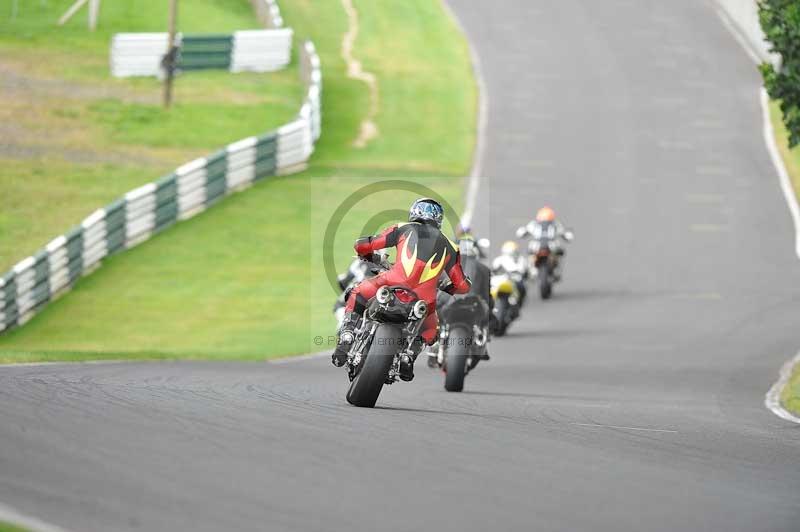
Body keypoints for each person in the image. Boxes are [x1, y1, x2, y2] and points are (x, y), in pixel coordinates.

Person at [332, 198, 472, 381]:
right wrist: (448, 287)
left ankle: (348, 334)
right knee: (431, 331)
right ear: (439, 220)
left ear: (414, 213)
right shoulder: (452, 247)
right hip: (424, 298)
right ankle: (408, 357)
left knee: (357, 292)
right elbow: (462, 286)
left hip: (391, 281)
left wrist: (365, 253)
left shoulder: (403, 228)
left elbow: (363, 244)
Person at [515, 206, 573, 279]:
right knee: (531, 254)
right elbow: (523, 232)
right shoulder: (536, 224)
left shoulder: (555, 224)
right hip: (538, 246)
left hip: (550, 246)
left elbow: (564, 234)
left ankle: (556, 270)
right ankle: (531, 270)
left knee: (559, 253)